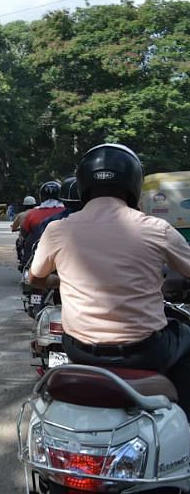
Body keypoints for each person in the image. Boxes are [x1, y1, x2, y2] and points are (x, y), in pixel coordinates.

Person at [29, 143, 190, 416]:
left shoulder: (58, 230)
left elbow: (35, 278)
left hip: (80, 350)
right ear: (134, 184)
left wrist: (58, 281)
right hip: (145, 351)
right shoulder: (156, 228)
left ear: (83, 184)